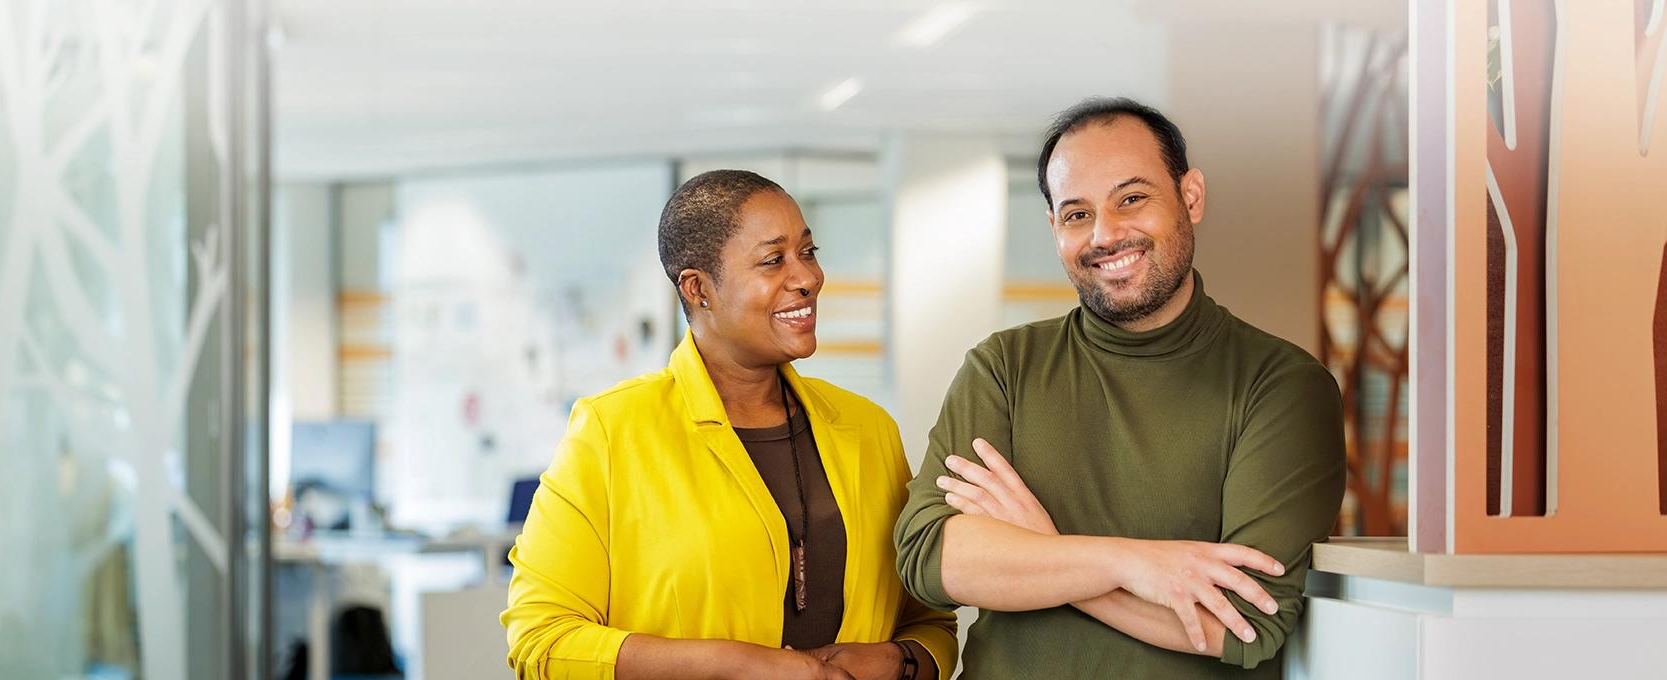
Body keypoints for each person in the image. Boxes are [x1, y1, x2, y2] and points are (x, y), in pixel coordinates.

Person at [893, 97, 1345, 678]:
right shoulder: (1003, 368)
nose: (1105, 234)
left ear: (1191, 196)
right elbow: (931, 559)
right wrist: (1131, 563)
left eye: (1131, 198)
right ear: (1054, 227)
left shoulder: (1281, 387)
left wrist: (1041, 547)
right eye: (1077, 214)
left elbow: (1241, 625)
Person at [504, 170, 958, 680]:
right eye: (773, 260)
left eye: (808, 252)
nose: (808, 277)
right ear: (698, 289)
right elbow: (542, 641)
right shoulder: (612, 430)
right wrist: (734, 665)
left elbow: (929, 615)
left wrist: (902, 662)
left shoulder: (869, 428)